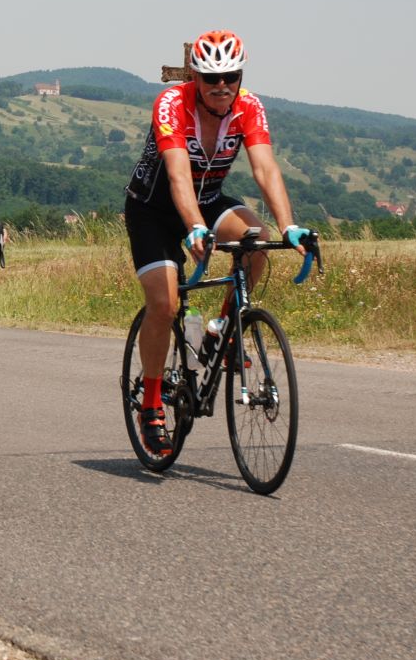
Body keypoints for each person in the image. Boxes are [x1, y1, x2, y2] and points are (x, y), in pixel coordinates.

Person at [124, 30, 309, 457]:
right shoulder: (172, 104)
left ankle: (220, 330)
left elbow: (265, 169)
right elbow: (176, 175)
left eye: (231, 75)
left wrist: (289, 226)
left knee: (257, 242)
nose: (223, 86)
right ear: (195, 76)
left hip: (209, 201)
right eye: (212, 78)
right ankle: (151, 404)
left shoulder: (249, 106)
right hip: (155, 209)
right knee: (165, 305)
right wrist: (191, 226)